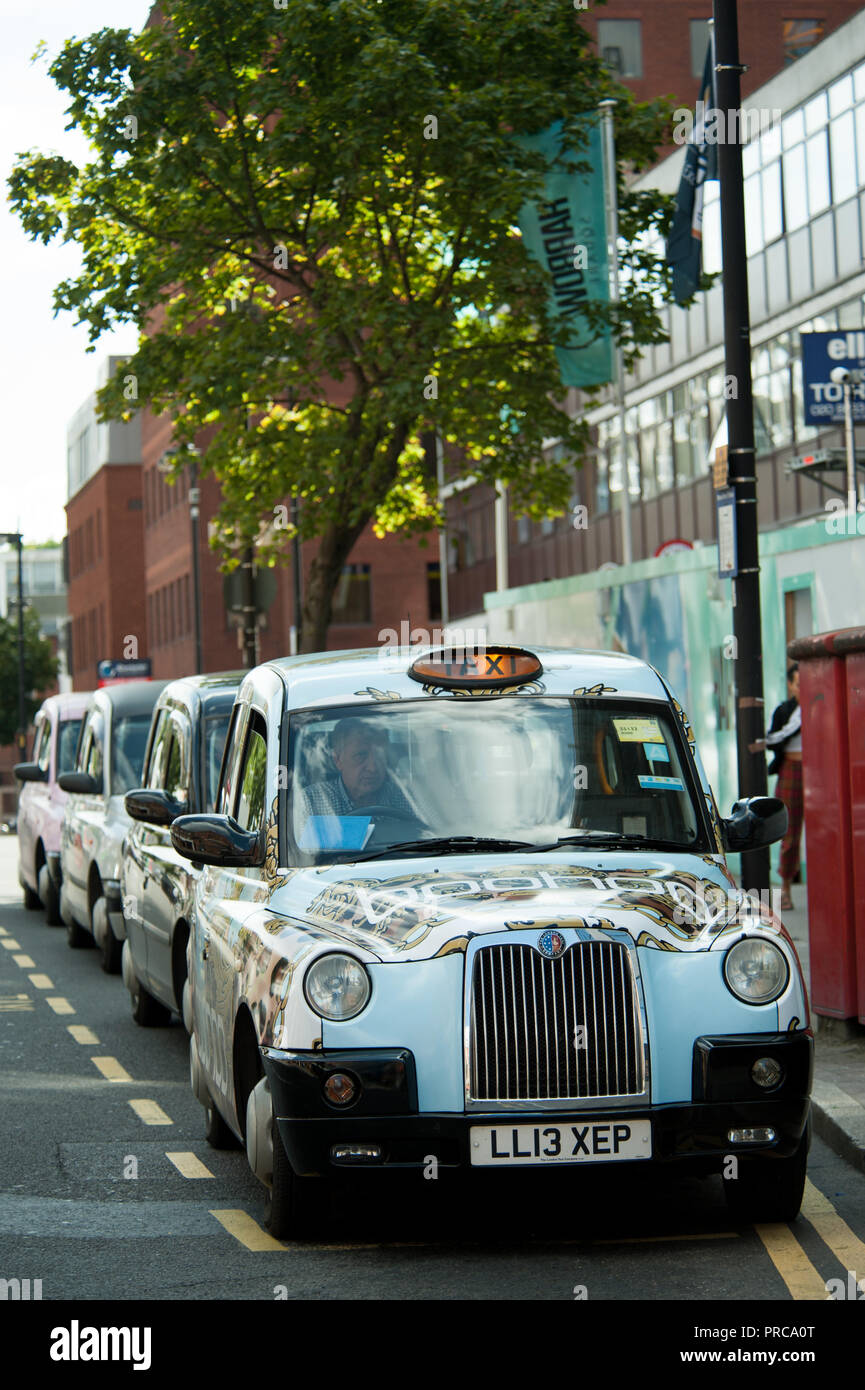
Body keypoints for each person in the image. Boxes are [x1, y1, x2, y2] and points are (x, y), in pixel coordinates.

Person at [296, 717, 419, 826]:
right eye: (361, 755)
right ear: (338, 759)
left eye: (380, 756)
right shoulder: (311, 801)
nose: (373, 768)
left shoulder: (406, 798)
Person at [751, 663, 802, 911]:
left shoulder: (821, 706)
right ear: (791, 685)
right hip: (792, 769)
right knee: (789, 832)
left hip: (820, 773)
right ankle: (786, 889)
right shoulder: (786, 711)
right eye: (799, 684)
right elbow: (772, 739)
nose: (804, 689)